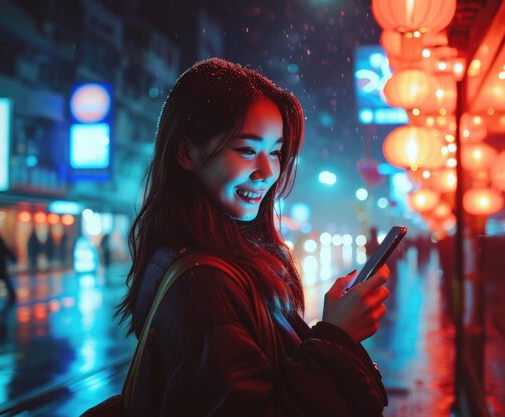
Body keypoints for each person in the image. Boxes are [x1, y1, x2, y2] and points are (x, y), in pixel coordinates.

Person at [115, 58, 391, 416]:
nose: (267, 172)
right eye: (246, 150)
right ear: (186, 153)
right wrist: (336, 339)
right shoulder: (203, 283)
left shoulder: (219, 260)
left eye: (275, 152)